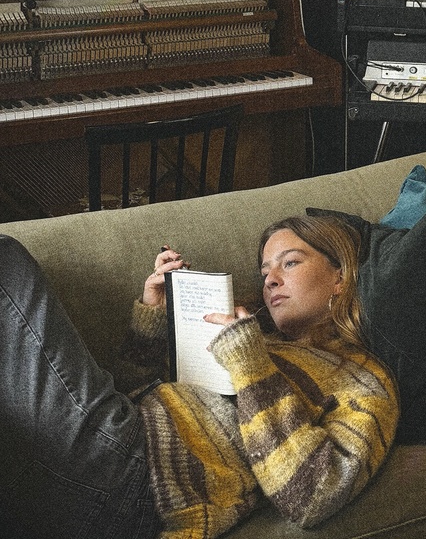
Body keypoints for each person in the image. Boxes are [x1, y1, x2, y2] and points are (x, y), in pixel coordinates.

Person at [0, 215, 399, 539]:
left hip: (143, 482)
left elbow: (312, 497)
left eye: (289, 263)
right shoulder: (263, 341)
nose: (270, 280)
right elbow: (131, 393)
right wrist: (153, 319)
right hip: (116, 447)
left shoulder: (365, 380)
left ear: (340, 277)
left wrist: (250, 364)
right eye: (265, 271)